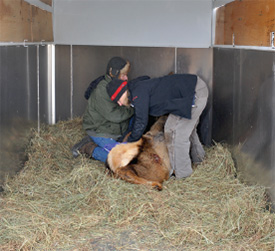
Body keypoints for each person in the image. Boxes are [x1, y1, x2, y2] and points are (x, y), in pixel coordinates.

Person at [106, 74, 209, 179]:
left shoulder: (138, 94)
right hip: (188, 92)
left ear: (123, 91)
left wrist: (129, 143)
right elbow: (145, 78)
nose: (119, 104)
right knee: (171, 128)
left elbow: (141, 121)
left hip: (194, 93)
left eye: (118, 99)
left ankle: (183, 175)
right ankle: (199, 159)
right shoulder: (134, 90)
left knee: (177, 134)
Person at [71, 56, 134, 162]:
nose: (126, 78)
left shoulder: (119, 85)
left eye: (126, 75)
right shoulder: (102, 90)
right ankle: (88, 148)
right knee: (119, 160)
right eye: (123, 75)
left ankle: (96, 142)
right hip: (101, 130)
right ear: (113, 73)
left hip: (114, 129)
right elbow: (115, 116)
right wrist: (132, 109)